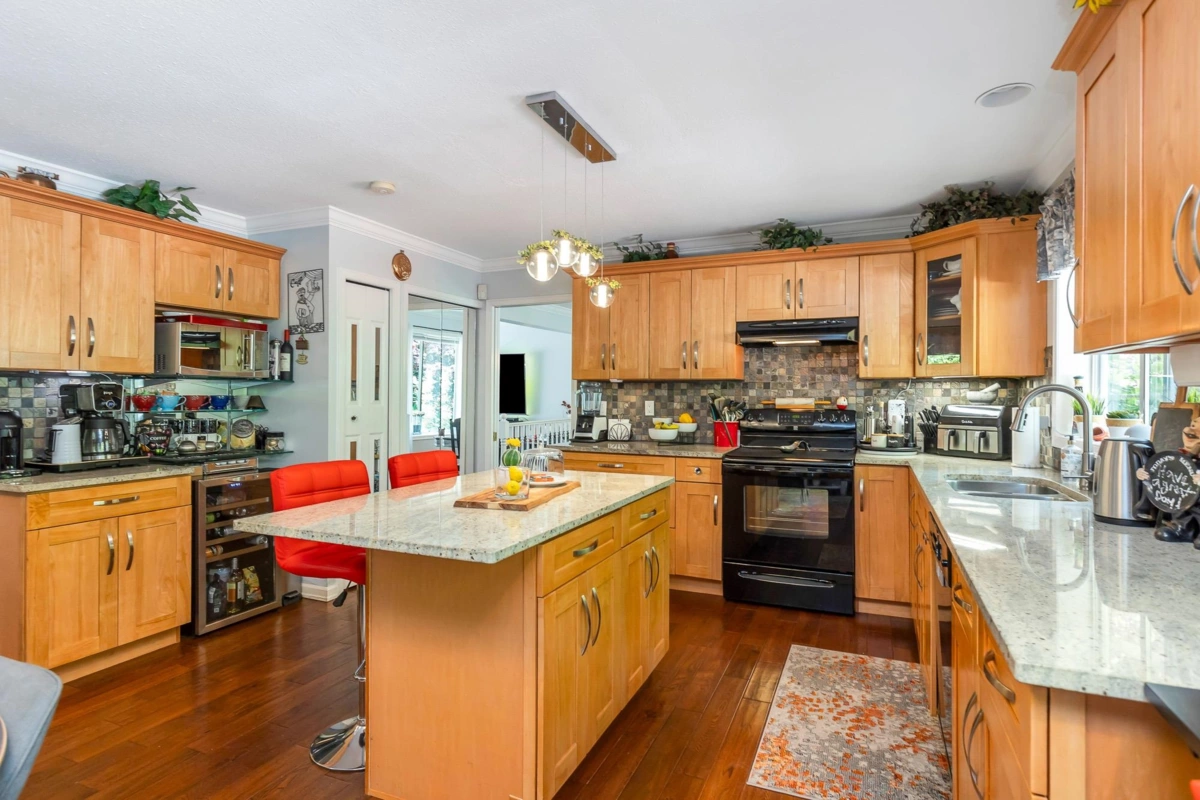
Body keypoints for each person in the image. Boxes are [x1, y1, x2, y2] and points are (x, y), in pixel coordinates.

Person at [1136, 417, 1200, 544]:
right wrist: (1145, 473)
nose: (1192, 429)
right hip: (1184, 504)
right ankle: (1183, 528)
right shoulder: (1178, 457)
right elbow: (1162, 473)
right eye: (1193, 424)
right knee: (1178, 494)